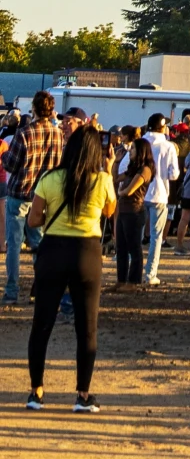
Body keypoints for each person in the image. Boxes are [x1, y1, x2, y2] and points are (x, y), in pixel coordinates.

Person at [26, 122, 114, 414]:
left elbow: (34, 220)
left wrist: (53, 214)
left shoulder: (50, 178)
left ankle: (37, 392)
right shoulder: (102, 179)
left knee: (42, 324)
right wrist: (109, 168)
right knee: (87, 327)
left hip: (53, 252)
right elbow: (109, 211)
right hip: (87, 253)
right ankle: (83, 394)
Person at [4, 91, 63, 306]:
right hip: (45, 195)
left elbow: (10, 164)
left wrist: (4, 154)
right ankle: (40, 289)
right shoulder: (58, 134)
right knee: (39, 244)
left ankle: (11, 291)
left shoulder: (24, 134)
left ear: (35, 109)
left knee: (14, 245)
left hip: (20, 193)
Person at [141, 112, 178, 286]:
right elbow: (174, 174)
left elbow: (125, 166)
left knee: (135, 234)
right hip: (159, 193)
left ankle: (131, 271)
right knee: (156, 237)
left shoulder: (140, 143)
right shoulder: (168, 146)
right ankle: (150, 273)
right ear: (162, 127)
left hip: (138, 193)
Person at [113, 138, 152, 288]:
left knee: (134, 247)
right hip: (124, 211)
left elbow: (129, 190)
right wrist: (116, 162)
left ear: (141, 151)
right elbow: (116, 178)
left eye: (133, 149)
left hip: (134, 212)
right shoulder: (133, 169)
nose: (130, 151)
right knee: (121, 247)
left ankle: (134, 281)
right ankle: (121, 280)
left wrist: (120, 192)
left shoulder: (145, 170)